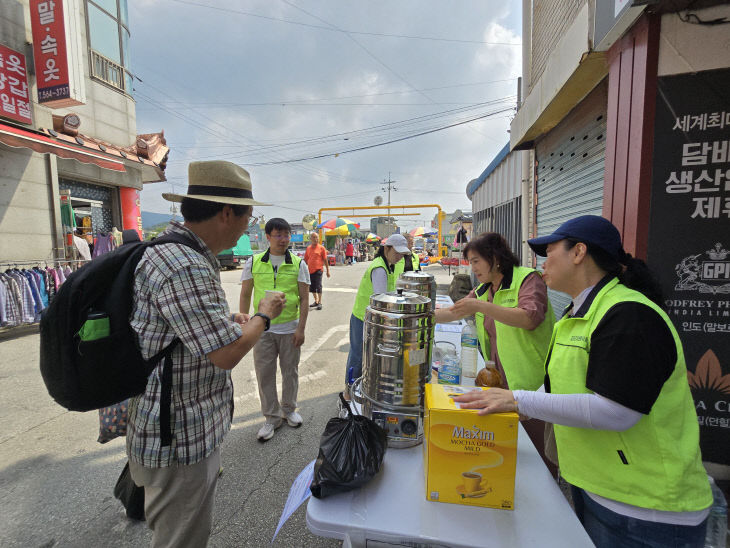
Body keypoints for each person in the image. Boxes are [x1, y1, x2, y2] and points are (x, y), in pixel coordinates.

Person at [453, 215, 712, 548]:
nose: (543, 262)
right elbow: (561, 383)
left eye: (550, 252)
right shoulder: (578, 314)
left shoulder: (628, 314)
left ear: (578, 252)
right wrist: (515, 406)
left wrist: (520, 400)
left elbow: (618, 412)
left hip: (648, 512)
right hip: (599, 490)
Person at [127, 160, 285, 548]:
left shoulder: (175, 252)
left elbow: (176, 328)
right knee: (182, 539)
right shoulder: (185, 265)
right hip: (179, 437)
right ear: (227, 213)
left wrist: (228, 317)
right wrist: (263, 315)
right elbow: (226, 354)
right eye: (249, 217)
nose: (250, 226)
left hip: (177, 426)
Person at [434, 232, 554, 392]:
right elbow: (454, 312)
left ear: (495, 258)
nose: (473, 268)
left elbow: (529, 318)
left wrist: (481, 306)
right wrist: (418, 317)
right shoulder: (484, 290)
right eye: (471, 262)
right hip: (498, 380)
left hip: (532, 384)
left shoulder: (527, 280)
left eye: (476, 261)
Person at [240, 218, 310, 441]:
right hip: (262, 330)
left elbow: (305, 298)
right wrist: (245, 323)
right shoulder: (253, 262)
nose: (283, 239)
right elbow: (245, 293)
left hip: (290, 329)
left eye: (286, 234)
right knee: (265, 374)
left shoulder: (299, 264)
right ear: (267, 237)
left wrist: (301, 329)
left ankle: (289, 409)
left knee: (290, 371)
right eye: (278, 235)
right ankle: (271, 417)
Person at [343, 233, 409, 401]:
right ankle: (349, 389)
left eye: (402, 253)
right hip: (362, 317)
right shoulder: (379, 267)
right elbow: (381, 298)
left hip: (373, 318)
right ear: (386, 248)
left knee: (368, 354)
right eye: (397, 252)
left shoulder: (391, 264)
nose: (400, 256)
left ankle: (362, 386)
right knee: (358, 354)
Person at [304, 232, 330, 310]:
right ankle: (316, 301)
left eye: (317, 237)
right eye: (314, 237)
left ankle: (320, 302)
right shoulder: (308, 248)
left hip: (318, 270)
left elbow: (325, 260)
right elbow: (305, 260)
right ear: (311, 239)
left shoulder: (321, 248)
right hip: (310, 271)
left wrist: (328, 271)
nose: (316, 239)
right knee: (311, 287)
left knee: (318, 286)